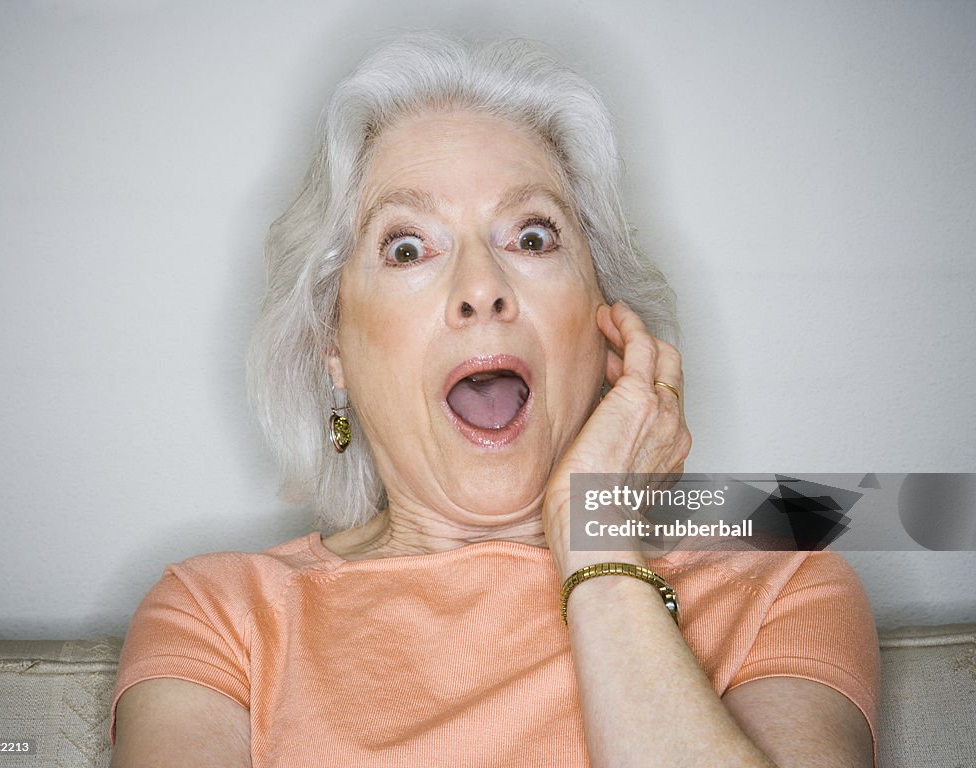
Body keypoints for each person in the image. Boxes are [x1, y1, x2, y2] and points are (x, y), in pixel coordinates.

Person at [109, 35, 879, 767]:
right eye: (407, 247)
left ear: (608, 324)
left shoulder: (782, 584)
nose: (482, 290)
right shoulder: (216, 615)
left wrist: (600, 545)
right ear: (334, 352)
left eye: (533, 238)